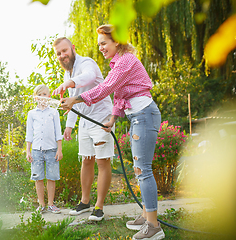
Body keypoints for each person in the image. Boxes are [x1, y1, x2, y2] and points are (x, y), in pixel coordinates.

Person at [58, 25, 164, 240]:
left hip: (144, 113)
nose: (101, 48)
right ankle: (146, 216)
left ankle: (154, 227)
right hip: (137, 115)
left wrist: (76, 99)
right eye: (99, 45)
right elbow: (119, 96)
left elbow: (105, 88)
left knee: (143, 169)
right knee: (138, 168)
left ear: (117, 41)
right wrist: (114, 117)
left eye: (104, 43)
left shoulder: (126, 60)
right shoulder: (118, 63)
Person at [52, 37, 115, 221]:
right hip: (85, 122)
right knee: (86, 160)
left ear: (72, 48)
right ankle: (85, 202)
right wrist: (69, 126)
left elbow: (88, 78)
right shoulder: (67, 75)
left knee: (102, 162)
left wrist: (70, 83)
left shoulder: (87, 63)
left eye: (64, 50)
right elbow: (73, 103)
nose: (62, 55)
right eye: (58, 53)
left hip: (102, 118)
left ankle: (99, 206)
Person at [26, 84, 63, 214]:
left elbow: (58, 132)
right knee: (38, 178)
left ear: (49, 97)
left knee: (51, 178)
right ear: (35, 98)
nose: (42, 97)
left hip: (52, 150)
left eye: (45, 94)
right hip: (36, 150)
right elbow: (29, 134)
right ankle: (41, 205)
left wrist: (59, 149)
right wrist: (28, 151)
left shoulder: (54, 112)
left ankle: (51, 204)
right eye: (40, 95)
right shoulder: (31, 114)